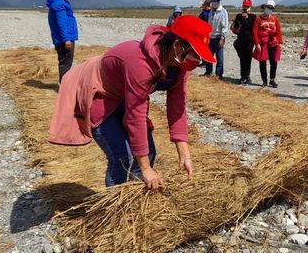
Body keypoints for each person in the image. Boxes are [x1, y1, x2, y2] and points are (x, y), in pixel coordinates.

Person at [49, 15, 214, 189]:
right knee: (122, 157)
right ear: (177, 46)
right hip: (101, 95)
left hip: (125, 95)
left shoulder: (180, 65)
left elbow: (177, 107)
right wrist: (145, 168)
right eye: (195, 54)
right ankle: (115, 206)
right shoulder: (140, 63)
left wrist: (184, 154)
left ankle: (133, 198)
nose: (197, 61)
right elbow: (136, 115)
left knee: (148, 152)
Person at [47, 0, 78, 83]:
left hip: (64, 37)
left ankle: (65, 87)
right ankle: (65, 89)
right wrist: (66, 39)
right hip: (64, 39)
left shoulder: (58, 2)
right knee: (65, 64)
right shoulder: (60, 3)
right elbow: (62, 22)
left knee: (65, 63)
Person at [253, 0, 283, 88]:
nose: (269, 9)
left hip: (273, 43)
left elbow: (278, 31)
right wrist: (257, 44)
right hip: (263, 43)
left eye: (271, 8)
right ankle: (264, 81)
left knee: (273, 62)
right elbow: (254, 32)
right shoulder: (258, 19)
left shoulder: (275, 19)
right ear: (265, 7)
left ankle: (272, 79)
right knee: (262, 62)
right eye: (268, 7)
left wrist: (280, 42)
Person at [231, 0, 257, 84]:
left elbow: (251, 27)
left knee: (248, 59)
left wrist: (246, 18)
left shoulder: (253, 17)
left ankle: (247, 76)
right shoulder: (239, 16)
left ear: (250, 7)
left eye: (247, 6)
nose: (245, 8)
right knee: (242, 59)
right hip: (241, 39)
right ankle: (242, 76)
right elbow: (235, 27)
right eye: (244, 6)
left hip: (249, 41)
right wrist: (238, 21)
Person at [205, 0, 228, 78]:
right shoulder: (211, 11)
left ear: (218, 1)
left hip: (218, 37)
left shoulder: (223, 12)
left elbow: (225, 26)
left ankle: (218, 75)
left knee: (219, 58)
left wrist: (222, 38)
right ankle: (208, 72)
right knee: (208, 57)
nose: (214, 2)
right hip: (210, 37)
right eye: (213, 1)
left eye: (216, 1)